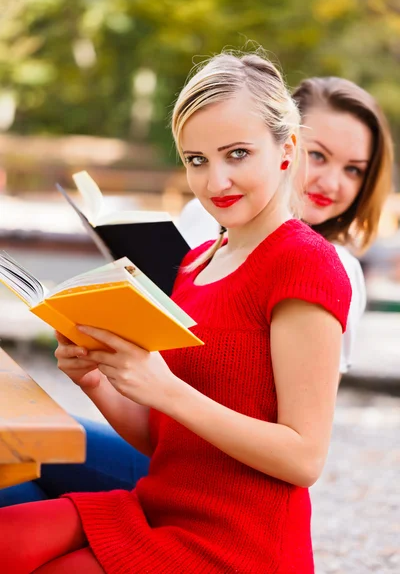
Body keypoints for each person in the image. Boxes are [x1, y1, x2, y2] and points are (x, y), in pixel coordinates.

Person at [0, 51, 351, 573]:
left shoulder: (307, 266)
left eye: (237, 154)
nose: (215, 182)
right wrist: (99, 379)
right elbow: (165, 437)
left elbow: (304, 459)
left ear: (286, 149)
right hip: (158, 510)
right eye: (197, 160)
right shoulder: (196, 262)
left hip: (238, 547)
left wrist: (167, 389)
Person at [179, 75, 393, 374]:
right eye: (317, 156)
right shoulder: (200, 218)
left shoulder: (334, 268)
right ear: (284, 146)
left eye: (353, 170)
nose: (331, 183)